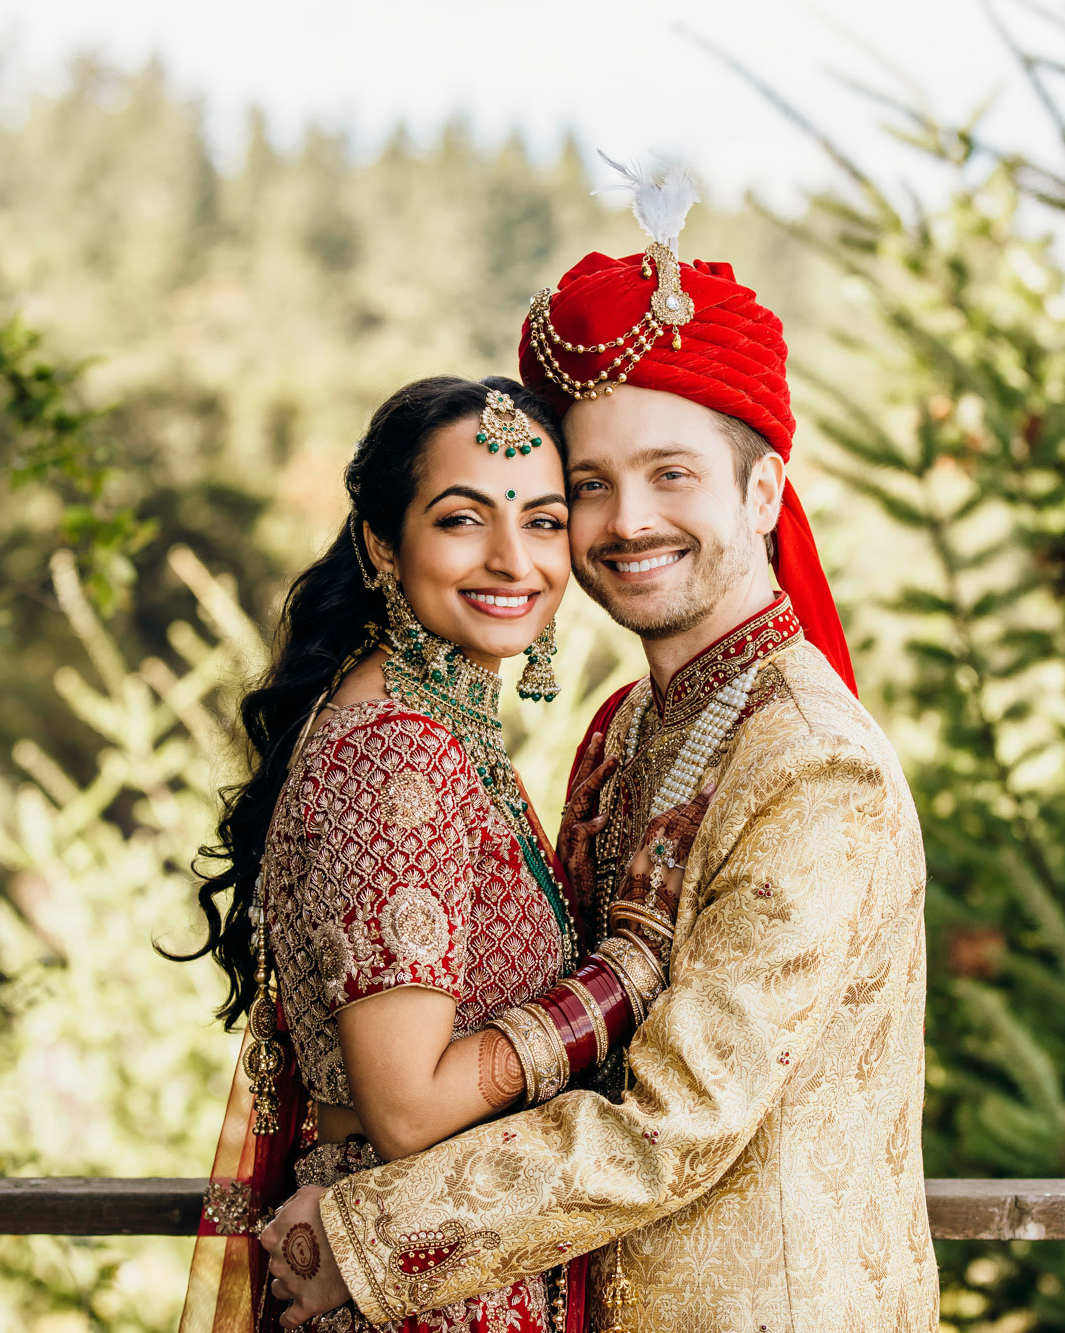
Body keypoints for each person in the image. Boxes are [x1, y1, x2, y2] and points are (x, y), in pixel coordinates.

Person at [259, 168, 939, 1332]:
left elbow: (676, 1118)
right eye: (589, 486)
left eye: (671, 475)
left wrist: (373, 1236)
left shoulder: (812, 764)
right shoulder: (625, 736)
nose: (626, 522)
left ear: (763, 488)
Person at [174, 374, 711, 1333]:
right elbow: (409, 1108)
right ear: (384, 543)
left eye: (544, 522)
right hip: (412, 1290)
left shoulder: (435, 723)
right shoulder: (399, 746)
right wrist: (622, 975)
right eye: (464, 520)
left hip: (433, 1266)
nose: (513, 560)